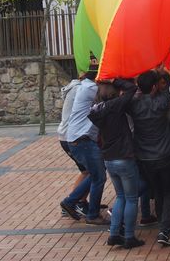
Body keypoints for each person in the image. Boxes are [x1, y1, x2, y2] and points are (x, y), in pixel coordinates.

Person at [129, 69, 170, 247]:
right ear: (155, 87)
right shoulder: (162, 101)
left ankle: (166, 224)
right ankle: (163, 229)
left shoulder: (133, 105)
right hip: (164, 154)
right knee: (168, 192)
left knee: (158, 192)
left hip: (144, 158)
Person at [88, 78, 144, 249]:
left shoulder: (96, 110)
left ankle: (114, 233)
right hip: (124, 157)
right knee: (132, 198)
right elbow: (132, 88)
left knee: (120, 197)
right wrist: (116, 80)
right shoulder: (116, 106)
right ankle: (129, 236)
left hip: (109, 158)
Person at [60, 68, 109, 226]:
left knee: (94, 174)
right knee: (99, 176)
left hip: (79, 138)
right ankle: (92, 214)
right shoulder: (90, 89)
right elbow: (109, 95)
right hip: (83, 140)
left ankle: (70, 202)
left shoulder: (86, 86)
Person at [57, 74, 89, 218]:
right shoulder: (80, 90)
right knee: (90, 172)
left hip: (67, 135)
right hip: (70, 136)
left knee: (86, 171)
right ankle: (76, 203)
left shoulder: (75, 87)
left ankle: (78, 201)